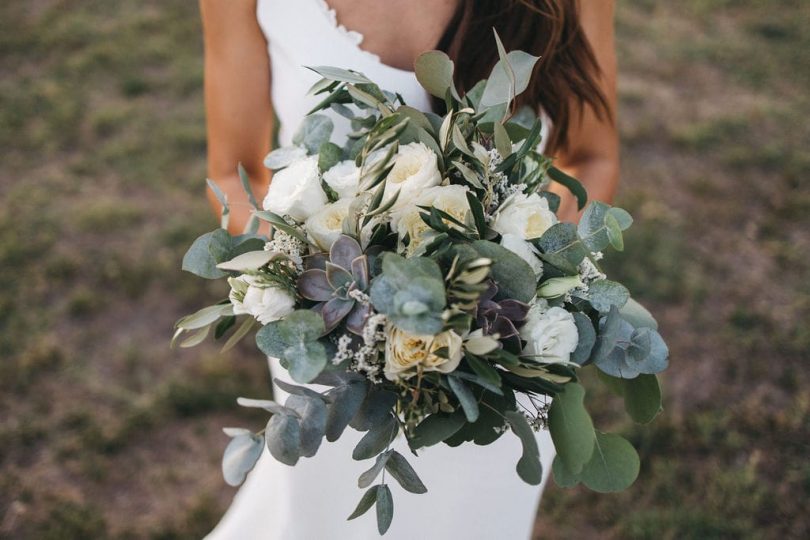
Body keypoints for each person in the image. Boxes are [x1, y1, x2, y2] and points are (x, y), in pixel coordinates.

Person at [200, 1, 617, 538]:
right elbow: (235, 175)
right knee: (326, 516)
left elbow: (590, 158)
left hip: (501, 348)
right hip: (333, 348)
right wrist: (311, 287)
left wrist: (528, 271)